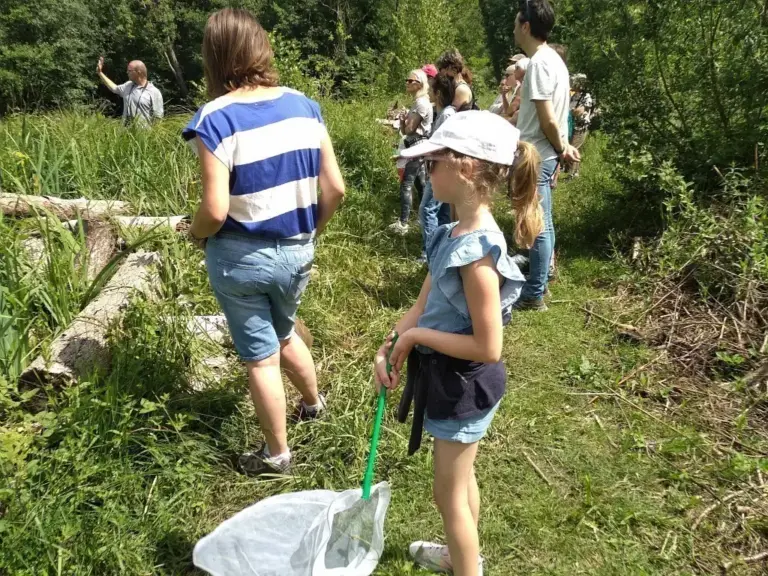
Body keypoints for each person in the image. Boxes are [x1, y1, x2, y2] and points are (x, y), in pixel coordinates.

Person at [374, 111, 541, 576]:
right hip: (448, 378)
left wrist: (418, 336)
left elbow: (490, 347)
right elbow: (421, 304)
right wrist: (390, 344)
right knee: (460, 483)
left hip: (464, 384)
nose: (427, 172)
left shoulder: (478, 255)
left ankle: (465, 564)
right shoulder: (451, 234)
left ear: (464, 168)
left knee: (447, 496)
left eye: (433, 163)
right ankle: (461, 555)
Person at [182, 8, 345, 476]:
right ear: (260, 47)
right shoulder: (305, 105)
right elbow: (335, 188)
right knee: (285, 330)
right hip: (298, 250)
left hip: (241, 259)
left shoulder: (213, 118)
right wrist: (310, 231)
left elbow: (214, 210)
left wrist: (195, 235)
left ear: (216, 56)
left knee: (259, 358)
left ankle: (276, 455)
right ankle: (314, 405)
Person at [512, 0, 579, 311]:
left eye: (516, 23)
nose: (514, 28)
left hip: (537, 153)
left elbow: (548, 117)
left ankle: (534, 293)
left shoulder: (539, 63)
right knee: (544, 222)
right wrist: (561, 146)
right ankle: (539, 282)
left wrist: (560, 147)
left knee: (536, 223)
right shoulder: (554, 61)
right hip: (545, 152)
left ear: (526, 27)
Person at [417, 71, 456, 262]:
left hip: (442, 168)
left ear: (438, 93)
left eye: (431, 90)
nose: (428, 93)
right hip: (440, 167)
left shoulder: (447, 114)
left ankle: (430, 254)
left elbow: (443, 145)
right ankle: (442, 250)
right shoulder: (443, 113)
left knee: (427, 209)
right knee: (442, 212)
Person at [389, 69, 433, 235]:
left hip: (416, 146)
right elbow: (406, 129)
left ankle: (403, 223)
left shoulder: (421, 103)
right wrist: (403, 120)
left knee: (406, 184)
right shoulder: (418, 102)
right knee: (420, 184)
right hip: (416, 145)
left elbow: (409, 129)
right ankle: (421, 219)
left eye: (410, 81)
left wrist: (404, 121)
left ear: (419, 83)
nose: (407, 83)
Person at [97, 57, 163, 126]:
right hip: (125, 134)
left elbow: (158, 118)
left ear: (138, 72)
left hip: (144, 135)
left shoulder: (154, 92)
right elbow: (114, 88)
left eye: (129, 71)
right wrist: (100, 73)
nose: (127, 72)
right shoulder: (128, 86)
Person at [566, 73, 594, 177]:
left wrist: (572, 111)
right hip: (571, 125)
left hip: (580, 127)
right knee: (571, 147)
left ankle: (573, 174)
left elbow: (580, 111)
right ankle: (571, 171)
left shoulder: (586, 96)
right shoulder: (573, 96)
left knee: (574, 147)